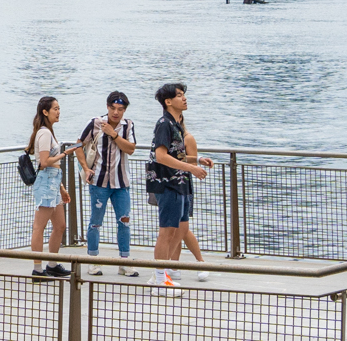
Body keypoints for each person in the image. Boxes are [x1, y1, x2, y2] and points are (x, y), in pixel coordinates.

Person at [147, 81, 215, 286]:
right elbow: (160, 156)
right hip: (168, 184)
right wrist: (192, 168)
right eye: (179, 95)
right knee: (166, 232)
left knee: (179, 229)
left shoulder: (177, 125)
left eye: (183, 94)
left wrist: (197, 160)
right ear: (168, 102)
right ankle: (160, 279)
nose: (184, 98)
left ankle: (162, 273)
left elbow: (175, 154)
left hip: (179, 184)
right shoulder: (164, 124)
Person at [75, 91, 141, 276]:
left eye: (120, 109)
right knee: (95, 222)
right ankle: (93, 259)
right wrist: (86, 169)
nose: (116, 113)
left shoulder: (128, 126)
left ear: (125, 110)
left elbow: (131, 149)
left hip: (121, 183)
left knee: (124, 222)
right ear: (107, 107)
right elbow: (78, 145)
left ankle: (124, 261)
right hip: (98, 182)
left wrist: (113, 135)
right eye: (113, 108)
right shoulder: (95, 123)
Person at [25, 96, 71, 277]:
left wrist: (62, 188)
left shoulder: (48, 132)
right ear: (45, 112)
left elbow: (51, 167)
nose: (58, 112)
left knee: (60, 225)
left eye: (59, 108)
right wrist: (65, 153)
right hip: (45, 183)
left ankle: (52, 264)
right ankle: (37, 269)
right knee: (39, 226)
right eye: (55, 109)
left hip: (53, 182)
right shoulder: (44, 133)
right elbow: (44, 162)